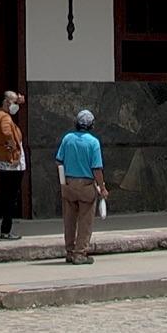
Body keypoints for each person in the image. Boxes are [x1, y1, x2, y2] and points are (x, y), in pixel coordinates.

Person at [55, 109, 107, 265]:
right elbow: (96, 168)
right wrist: (102, 187)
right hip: (86, 185)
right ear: (91, 125)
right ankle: (80, 253)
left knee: (69, 220)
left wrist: (64, 182)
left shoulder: (67, 139)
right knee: (85, 221)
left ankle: (70, 252)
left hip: (69, 184)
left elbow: (59, 161)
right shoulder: (93, 142)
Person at [0, 91, 26, 240]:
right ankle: (6, 230)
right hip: (11, 164)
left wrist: (19, 101)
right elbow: (7, 134)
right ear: (6, 103)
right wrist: (14, 152)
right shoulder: (4, 118)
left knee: (3, 196)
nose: (16, 105)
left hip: (1, 162)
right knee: (11, 198)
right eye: (14, 103)